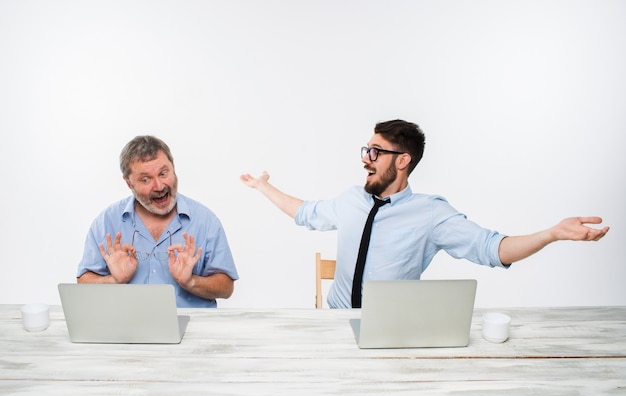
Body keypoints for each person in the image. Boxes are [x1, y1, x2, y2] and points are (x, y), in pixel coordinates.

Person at [240, 119, 609, 309]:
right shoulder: (351, 200)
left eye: (374, 152)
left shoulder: (430, 214)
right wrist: (262, 187)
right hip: (335, 324)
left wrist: (552, 233)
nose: (364, 159)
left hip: (391, 332)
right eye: (365, 149)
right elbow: (305, 213)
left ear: (402, 161)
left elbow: (492, 249)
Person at [77, 135, 238, 307]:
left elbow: (226, 288)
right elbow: (83, 282)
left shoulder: (205, 221)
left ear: (173, 168)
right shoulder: (106, 222)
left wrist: (191, 281)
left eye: (163, 173)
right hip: (127, 329)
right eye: (145, 179)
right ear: (129, 183)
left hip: (192, 328)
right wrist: (114, 280)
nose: (159, 186)